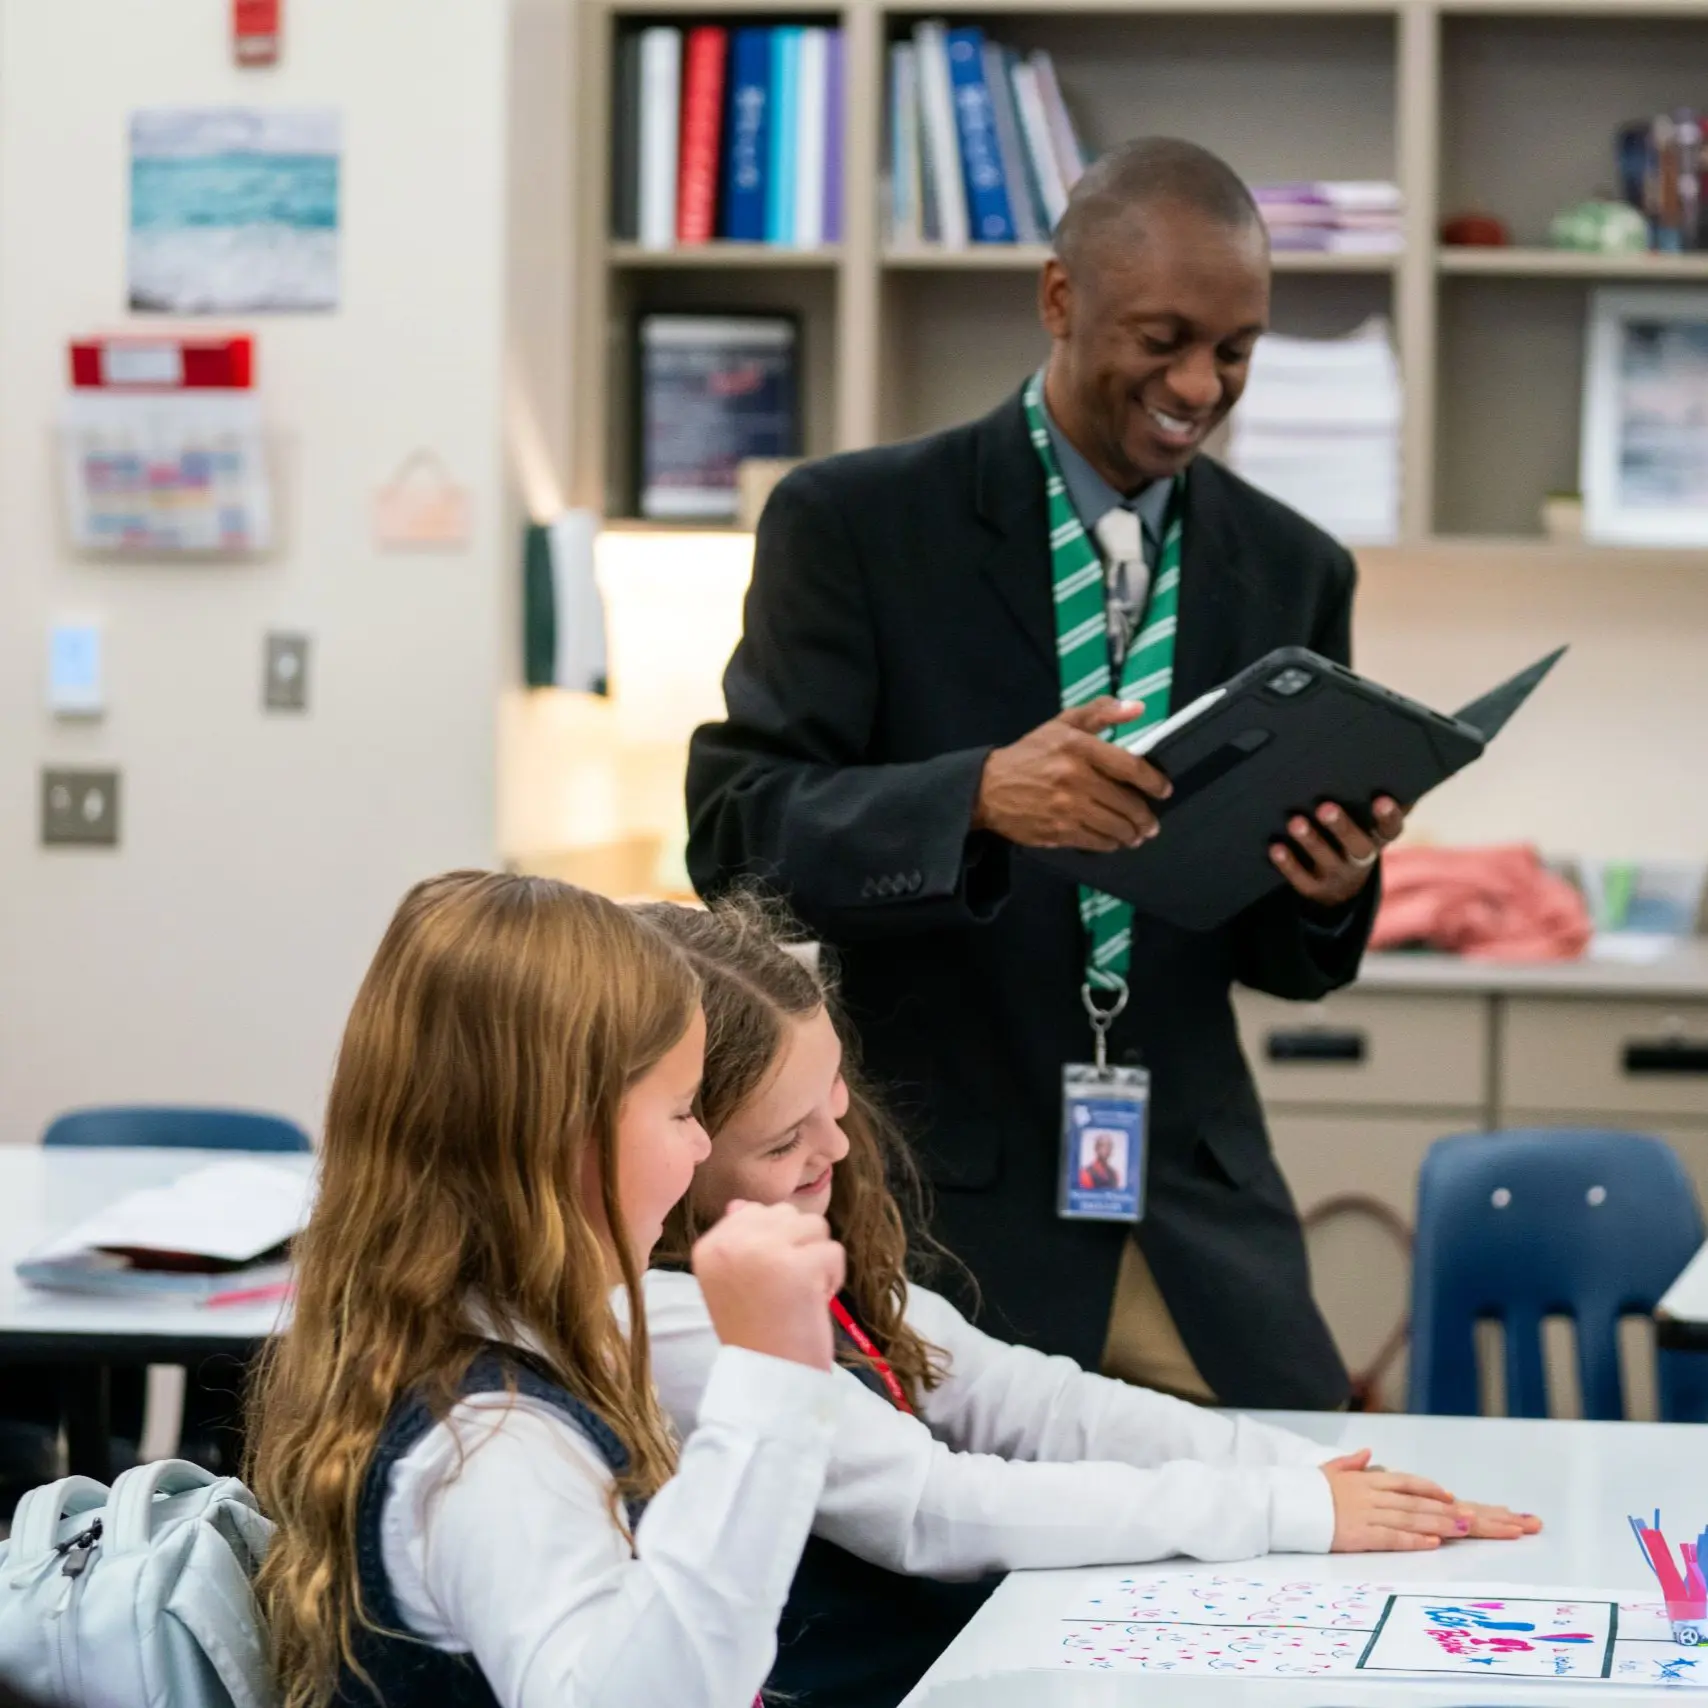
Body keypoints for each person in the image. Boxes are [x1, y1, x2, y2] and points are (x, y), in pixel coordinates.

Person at [686, 136, 1405, 1409]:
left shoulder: (1295, 571)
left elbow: (1289, 961)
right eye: (1163, 337)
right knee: (956, 1580)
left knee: (1308, 1522)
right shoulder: (854, 525)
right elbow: (736, 834)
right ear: (1060, 300)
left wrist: (1329, 883)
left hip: (1191, 1214)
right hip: (938, 1214)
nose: (1199, 383)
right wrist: (972, 798)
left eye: (1234, 350)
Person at [638, 895, 1539, 1708]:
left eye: (838, 1102)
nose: (837, 1147)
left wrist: (1310, 1474)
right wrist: (1279, 1509)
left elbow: (1036, 1403)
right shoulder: (666, 1321)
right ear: (667, 1144)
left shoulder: (789, 1248)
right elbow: (932, 1507)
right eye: (787, 1138)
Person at [246, 871, 848, 1708]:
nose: (705, 1146)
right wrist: (771, 1377)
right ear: (563, 1136)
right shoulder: (491, 1443)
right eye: (680, 1112)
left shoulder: (488, 1365)